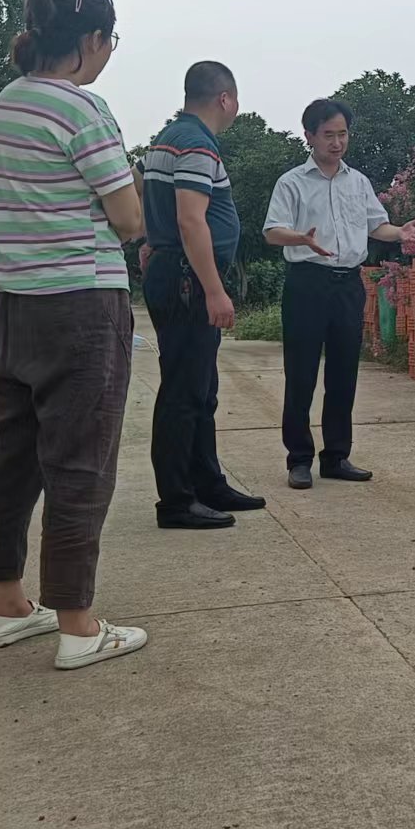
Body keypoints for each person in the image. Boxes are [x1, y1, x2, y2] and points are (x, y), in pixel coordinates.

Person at [0, 0, 148, 671]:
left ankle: (7, 607)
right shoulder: (83, 108)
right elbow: (128, 219)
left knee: (11, 454)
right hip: (80, 302)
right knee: (81, 460)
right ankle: (79, 624)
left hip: (12, 302)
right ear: (91, 39)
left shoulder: (6, 102)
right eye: (110, 41)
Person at [263, 99, 415, 489]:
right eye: (328, 135)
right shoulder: (292, 182)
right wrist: (300, 238)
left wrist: (399, 233)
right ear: (309, 136)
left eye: (343, 134)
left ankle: (336, 456)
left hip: (349, 285)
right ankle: (299, 459)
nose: (337, 143)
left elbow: (376, 225)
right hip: (307, 282)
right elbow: (272, 232)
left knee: (343, 372)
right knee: (301, 373)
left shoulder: (358, 182)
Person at [140, 61, 264, 529]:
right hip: (188, 280)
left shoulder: (167, 138)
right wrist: (214, 290)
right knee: (184, 391)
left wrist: (150, 238)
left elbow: (139, 188)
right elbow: (191, 219)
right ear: (225, 99)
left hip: (175, 270)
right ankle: (176, 501)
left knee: (201, 388)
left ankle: (207, 483)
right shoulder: (196, 143)